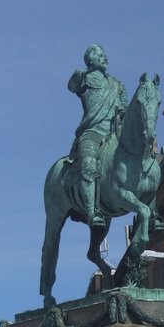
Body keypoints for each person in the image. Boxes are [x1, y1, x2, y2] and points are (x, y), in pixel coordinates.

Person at [68, 44, 127, 227]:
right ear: (90, 60)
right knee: (88, 164)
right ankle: (92, 211)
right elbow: (72, 86)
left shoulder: (117, 85)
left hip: (114, 133)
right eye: (100, 55)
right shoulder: (85, 80)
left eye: (104, 54)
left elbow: (125, 109)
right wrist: (77, 78)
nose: (104, 58)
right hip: (92, 133)